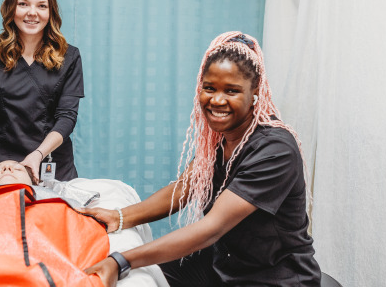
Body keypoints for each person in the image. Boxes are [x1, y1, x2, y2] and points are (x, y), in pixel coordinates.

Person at [82, 32, 321, 286]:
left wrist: (121, 260)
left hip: (272, 277)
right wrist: (120, 217)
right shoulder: (219, 139)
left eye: (231, 90)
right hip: (224, 262)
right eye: (209, 88)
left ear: (255, 94)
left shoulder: (275, 149)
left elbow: (211, 228)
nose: (217, 100)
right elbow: (183, 188)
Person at [0, 0, 84, 185]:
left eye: (41, 6)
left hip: (51, 163)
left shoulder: (70, 56)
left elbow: (67, 116)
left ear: (51, 12)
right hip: (2, 167)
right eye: (23, 4)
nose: (32, 12)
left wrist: (38, 155)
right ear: (11, 8)